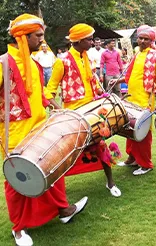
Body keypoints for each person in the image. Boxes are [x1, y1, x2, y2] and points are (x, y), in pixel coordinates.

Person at [0, 14, 88, 246]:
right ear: (23, 36)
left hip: (40, 130)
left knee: (53, 172)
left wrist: (58, 110)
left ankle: (63, 210)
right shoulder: (2, 63)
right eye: (38, 35)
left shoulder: (35, 63)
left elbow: (39, 96)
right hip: (14, 135)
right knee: (17, 182)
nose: (42, 39)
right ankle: (19, 229)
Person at [47, 23, 121, 197]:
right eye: (89, 39)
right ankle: (56, 192)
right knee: (65, 153)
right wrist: (60, 110)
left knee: (101, 144)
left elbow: (93, 81)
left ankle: (110, 182)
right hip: (74, 116)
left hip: (93, 112)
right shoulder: (62, 61)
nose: (92, 42)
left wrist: (102, 93)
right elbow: (49, 92)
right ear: (78, 41)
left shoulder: (86, 57)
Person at [114, 25, 156, 175]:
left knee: (143, 133)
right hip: (131, 98)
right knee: (129, 129)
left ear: (151, 41)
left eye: (146, 39)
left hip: (145, 100)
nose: (142, 41)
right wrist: (117, 82)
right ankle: (132, 158)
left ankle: (146, 164)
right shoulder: (137, 54)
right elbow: (130, 75)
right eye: (140, 38)